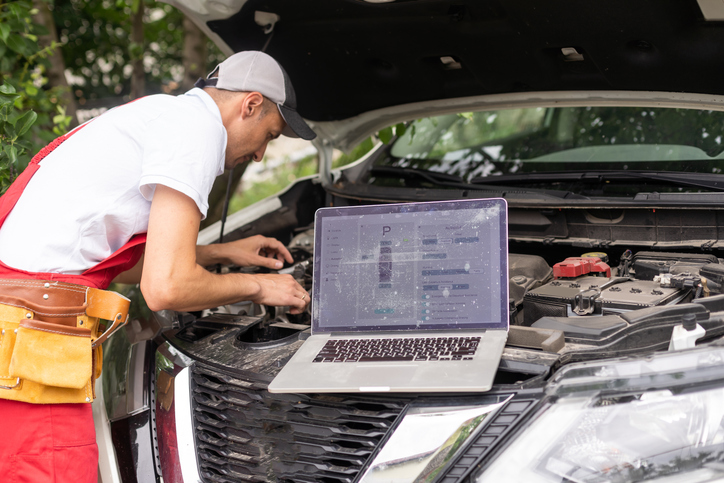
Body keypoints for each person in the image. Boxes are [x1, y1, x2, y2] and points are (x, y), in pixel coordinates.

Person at [0, 50, 313, 482]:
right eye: (270, 135)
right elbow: (165, 288)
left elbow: (112, 262)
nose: (261, 154)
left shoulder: (164, 114)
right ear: (251, 104)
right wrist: (260, 289)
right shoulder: (197, 132)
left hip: (19, 327)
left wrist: (221, 253)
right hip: (32, 340)